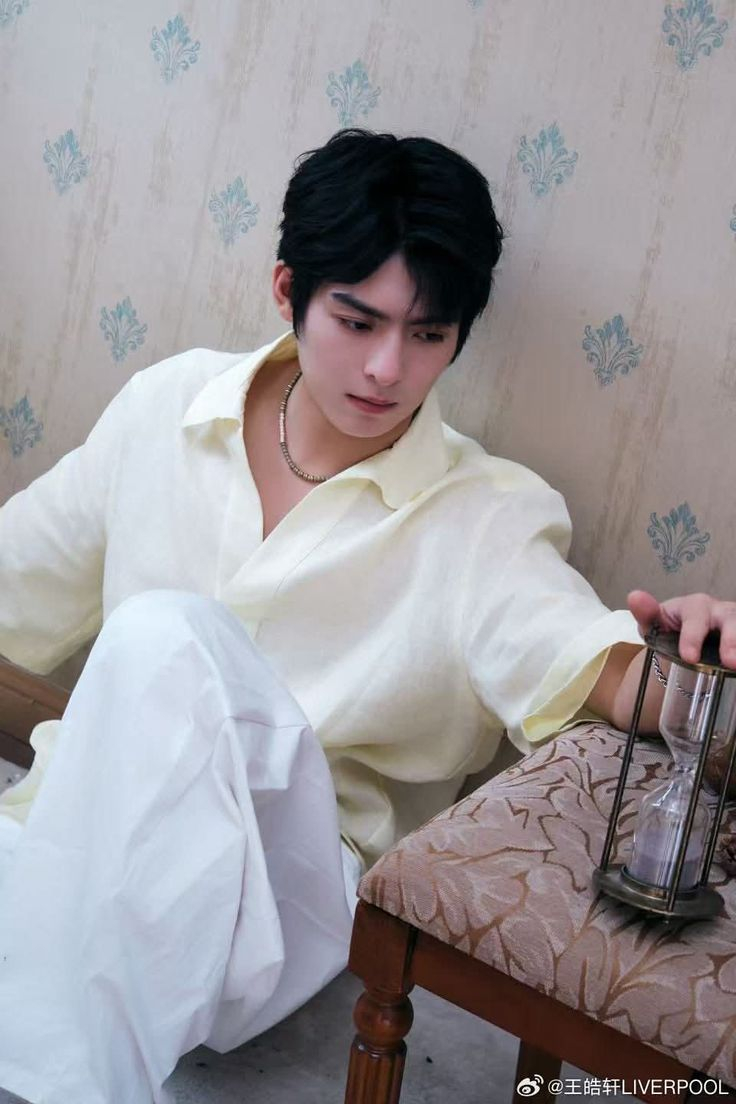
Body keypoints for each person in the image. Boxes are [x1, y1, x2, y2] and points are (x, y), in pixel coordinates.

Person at [0, 128, 733, 1103]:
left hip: (273, 906)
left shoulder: (485, 518)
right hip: (69, 833)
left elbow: (604, 674)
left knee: (160, 635)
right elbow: (16, 579)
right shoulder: (167, 405)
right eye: (358, 320)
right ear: (287, 291)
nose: (387, 368)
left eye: (427, 336)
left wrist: (703, 658)